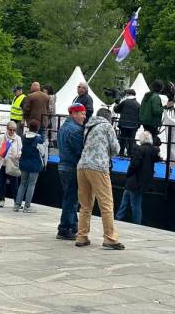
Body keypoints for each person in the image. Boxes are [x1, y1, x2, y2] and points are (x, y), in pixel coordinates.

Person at [75, 107, 123, 249]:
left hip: (82, 166)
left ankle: (82, 236)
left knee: (85, 205)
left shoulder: (88, 127)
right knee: (106, 204)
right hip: (98, 167)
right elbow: (116, 149)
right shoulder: (107, 127)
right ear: (109, 118)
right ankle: (110, 238)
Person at [115, 130, 159, 225]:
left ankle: (136, 224)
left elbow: (134, 164)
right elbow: (157, 158)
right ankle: (119, 217)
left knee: (134, 203)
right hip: (143, 180)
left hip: (135, 180)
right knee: (127, 198)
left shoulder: (140, 149)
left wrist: (128, 173)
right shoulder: (153, 150)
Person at [56, 103, 86, 241]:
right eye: (82, 114)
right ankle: (64, 228)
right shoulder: (75, 130)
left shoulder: (63, 127)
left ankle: (73, 226)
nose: (84, 117)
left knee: (70, 198)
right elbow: (80, 150)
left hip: (63, 166)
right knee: (71, 200)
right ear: (74, 114)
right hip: (71, 167)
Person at [15, 119, 45, 212]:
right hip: (34, 164)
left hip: (24, 163)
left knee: (22, 183)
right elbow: (42, 152)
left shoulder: (23, 137)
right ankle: (27, 206)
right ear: (37, 128)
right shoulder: (38, 139)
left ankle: (17, 205)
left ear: (29, 127)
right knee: (31, 184)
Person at [0, 122, 22, 207]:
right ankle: (2, 200)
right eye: (10, 129)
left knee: (14, 184)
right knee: (2, 183)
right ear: (7, 129)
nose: (12, 131)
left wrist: (19, 154)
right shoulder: (1, 137)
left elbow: (20, 149)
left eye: (14, 130)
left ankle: (16, 202)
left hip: (12, 164)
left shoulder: (18, 138)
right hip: (2, 164)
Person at [114, 89, 140, 158]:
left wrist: (116, 104)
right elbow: (140, 116)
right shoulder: (138, 104)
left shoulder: (124, 102)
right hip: (133, 125)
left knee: (122, 139)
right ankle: (130, 154)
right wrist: (138, 125)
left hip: (123, 124)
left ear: (128, 94)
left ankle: (121, 153)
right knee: (131, 140)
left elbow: (116, 110)